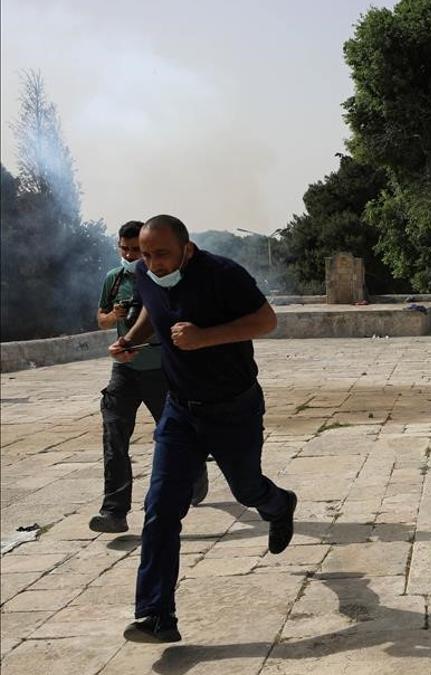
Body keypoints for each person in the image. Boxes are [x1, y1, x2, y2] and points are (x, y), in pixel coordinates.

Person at [111, 215, 296, 643]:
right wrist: (132, 341)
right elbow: (150, 312)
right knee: (160, 509)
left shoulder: (223, 275)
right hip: (179, 411)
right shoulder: (143, 272)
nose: (153, 264)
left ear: (186, 249)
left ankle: (279, 505)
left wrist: (206, 337)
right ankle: (156, 615)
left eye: (162, 254)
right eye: (146, 254)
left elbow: (266, 321)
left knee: (247, 489)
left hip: (234, 407)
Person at [90, 221, 209, 534]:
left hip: (160, 370)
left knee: (174, 436)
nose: (129, 255)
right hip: (124, 372)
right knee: (114, 438)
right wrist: (113, 318)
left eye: (135, 250)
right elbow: (100, 319)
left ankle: (196, 473)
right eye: (124, 249)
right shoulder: (113, 281)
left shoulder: (164, 280)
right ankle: (114, 511)